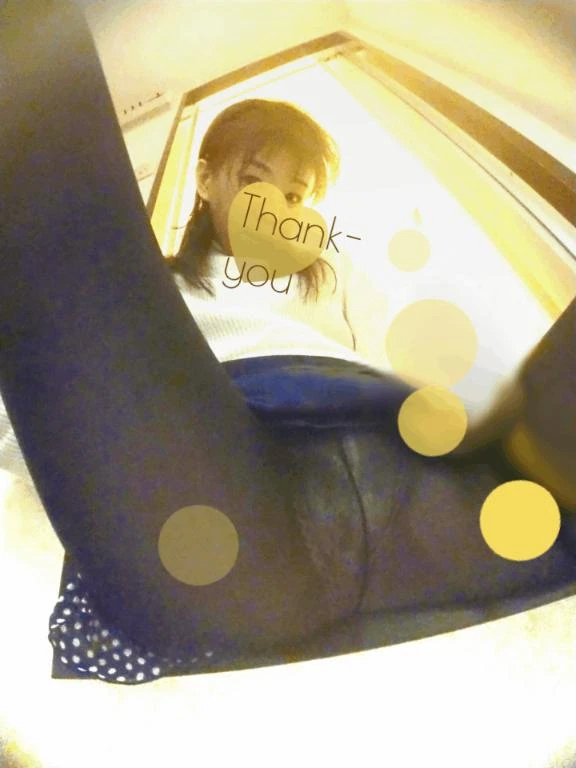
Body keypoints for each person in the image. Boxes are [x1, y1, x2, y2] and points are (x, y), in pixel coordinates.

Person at [1, 3, 575, 687]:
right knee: (70, 238)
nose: (274, 206)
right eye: (253, 180)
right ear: (206, 179)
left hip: (397, 471)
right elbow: (62, 420)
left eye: (296, 194)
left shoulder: (337, 271)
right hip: (225, 500)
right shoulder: (155, 292)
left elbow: (408, 373)